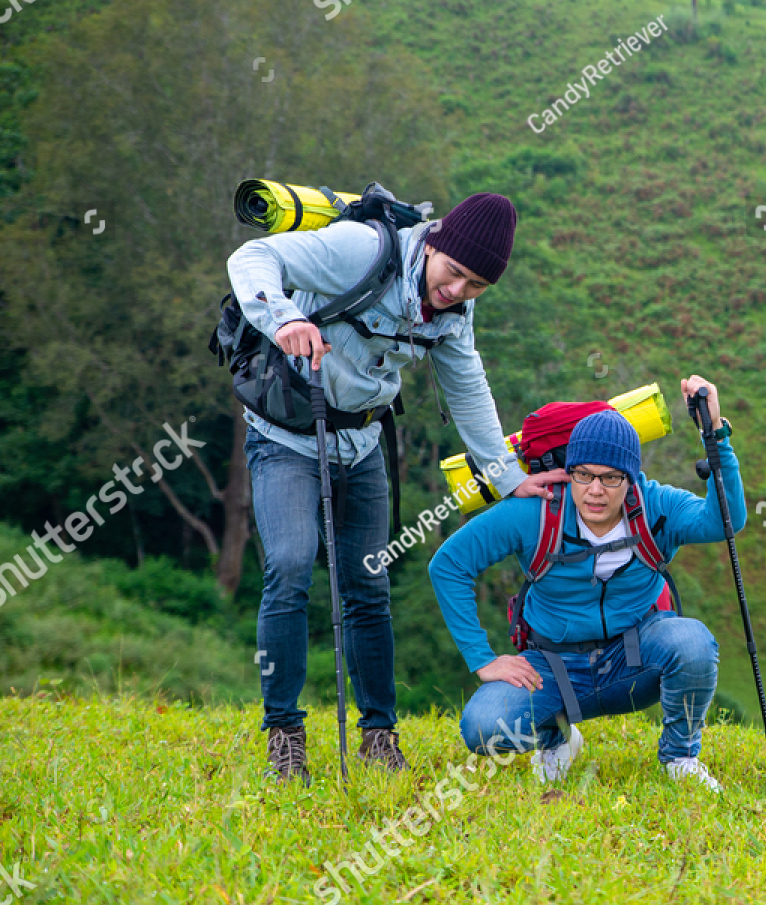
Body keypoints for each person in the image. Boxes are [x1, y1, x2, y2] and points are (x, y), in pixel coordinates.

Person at [226, 192, 569, 783]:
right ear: (432, 243)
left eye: (477, 284)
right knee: (288, 566)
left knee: (368, 583)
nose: (458, 290)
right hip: (285, 437)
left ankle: (379, 738)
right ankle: (285, 737)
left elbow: (467, 389)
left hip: (360, 448)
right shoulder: (359, 250)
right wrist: (285, 318)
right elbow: (251, 256)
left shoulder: (455, 315)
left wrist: (510, 479)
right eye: (454, 272)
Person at [427, 377, 745, 791]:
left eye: (611, 478)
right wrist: (482, 659)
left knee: (693, 642)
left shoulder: (655, 508)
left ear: (631, 478)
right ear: (567, 473)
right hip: (551, 666)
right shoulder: (535, 513)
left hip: (633, 659)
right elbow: (448, 565)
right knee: (484, 729)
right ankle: (557, 738)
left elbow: (725, 520)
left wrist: (715, 433)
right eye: (583, 475)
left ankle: (680, 758)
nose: (595, 490)